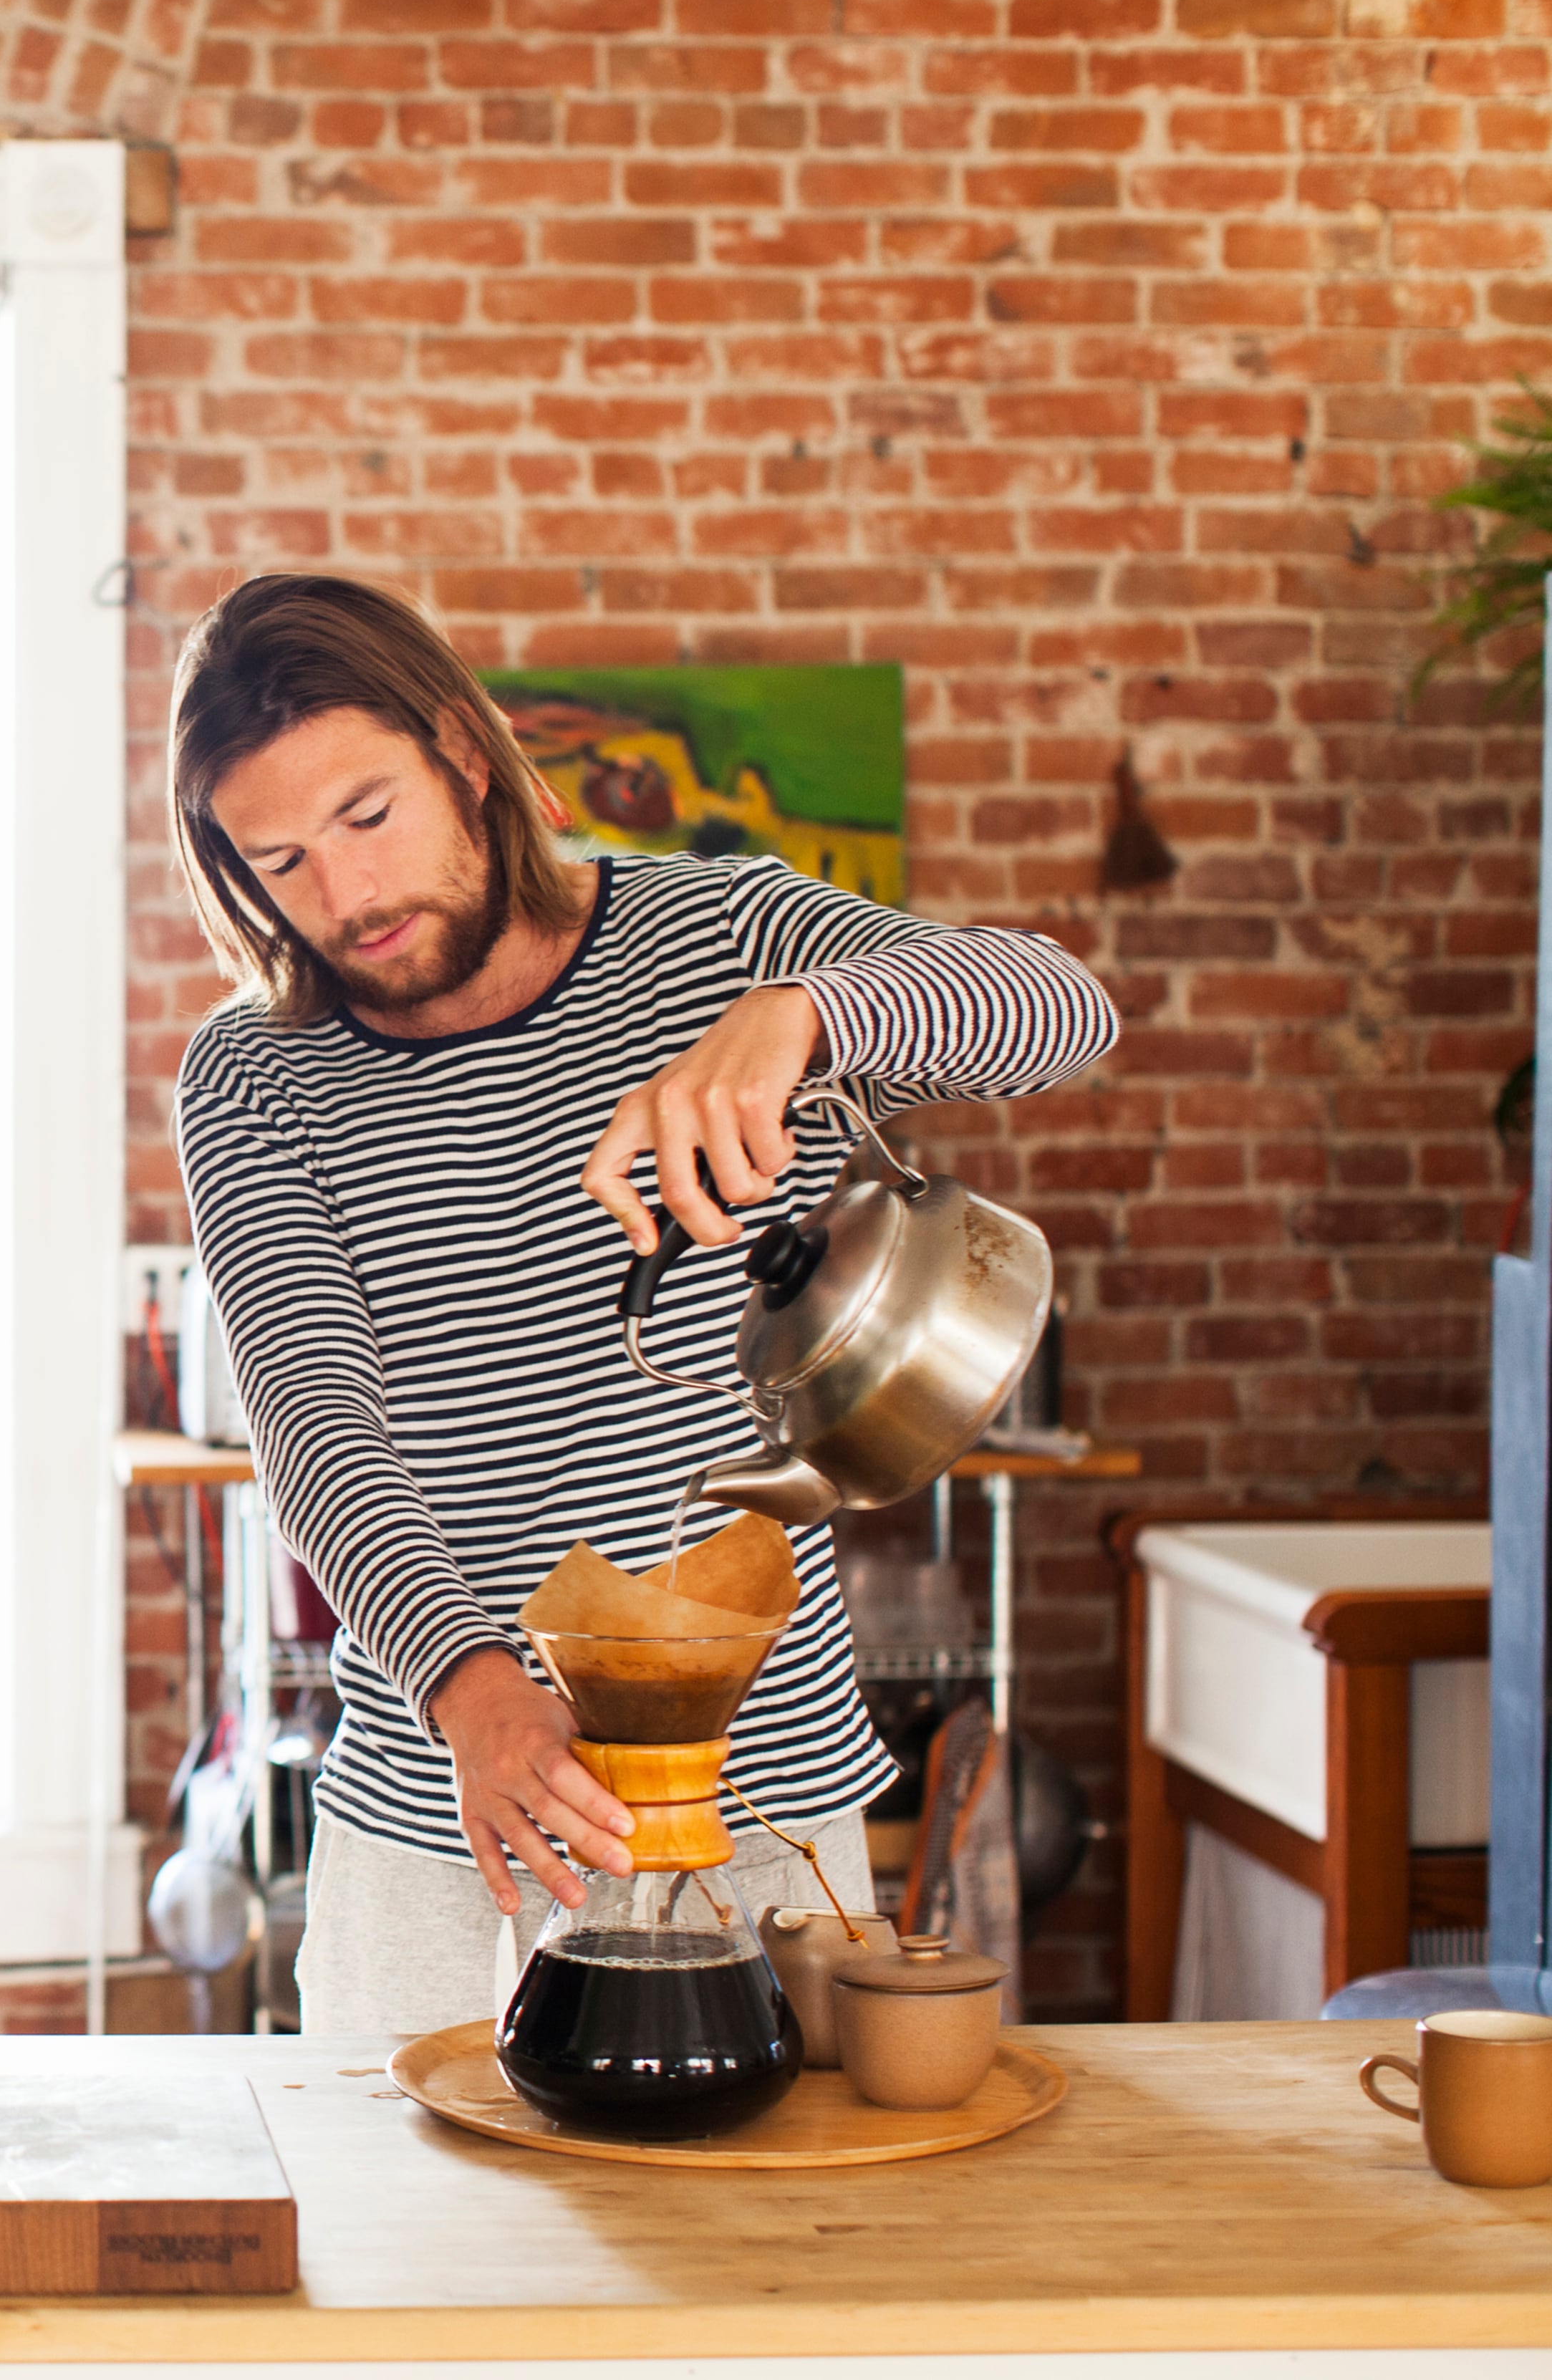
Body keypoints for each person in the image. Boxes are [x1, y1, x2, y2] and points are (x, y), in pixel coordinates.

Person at [166, 574, 1119, 2034]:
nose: (344, 898)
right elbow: (315, 1427)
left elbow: (1064, 1007)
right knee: (409, 2252)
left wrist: (805, 1017)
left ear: (464, 759)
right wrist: (472, 1693)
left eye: (368, 816)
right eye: (280, 859)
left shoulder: (724, 937)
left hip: (764, 1810)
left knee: (776, 2249)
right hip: (443, 1816)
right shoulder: (257, 1075)